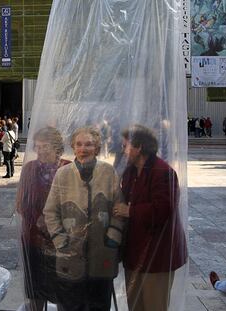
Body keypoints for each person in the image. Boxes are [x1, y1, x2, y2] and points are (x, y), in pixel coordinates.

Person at [43, 127, 125, 311]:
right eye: (79, 144)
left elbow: (119, 209)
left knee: (100, 303)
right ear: (73, 147)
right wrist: (61, 241)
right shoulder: (62, 174)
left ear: (97, 147)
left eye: (89, 144)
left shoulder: (108, 172)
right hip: (70, 254)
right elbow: (50, 211)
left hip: (102, 253)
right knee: (70, 304)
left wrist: (113, 237)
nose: (83, 149)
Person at [114, 124, 187, 311]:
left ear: (139, 147)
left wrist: (130, 211)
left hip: (157, 257)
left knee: (154, 306)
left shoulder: (163, 172)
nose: (122, 150)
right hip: (134, 254)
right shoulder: (130, 171)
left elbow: (164, 210)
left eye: (125, 145)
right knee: (135, 306)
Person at [16, 127, 70, 310]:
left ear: (57, 147)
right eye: (37, 146)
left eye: (45, 146)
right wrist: (39, 223)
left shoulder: (68, 167)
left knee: (63, 287)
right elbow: (21, 203)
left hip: (62, 240)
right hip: (34, 239)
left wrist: (55, 225)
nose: (40, 151)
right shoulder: (30, 168)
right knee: (35, 288)